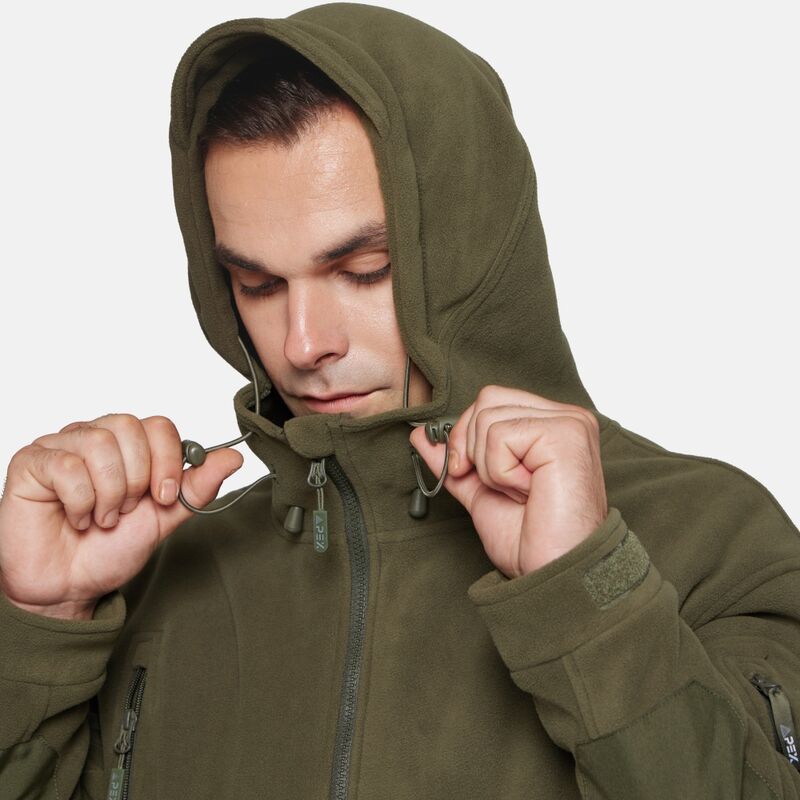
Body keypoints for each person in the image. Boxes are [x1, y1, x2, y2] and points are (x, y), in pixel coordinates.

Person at [1, 4, 799, 798]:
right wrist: (41, 632)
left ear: (475, 251)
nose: (302, 344)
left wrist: (588, 598)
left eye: (364, 272)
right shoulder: (156, 576)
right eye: (258, 284)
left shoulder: (716, 543)